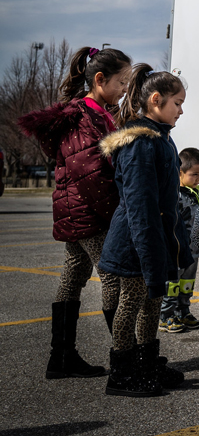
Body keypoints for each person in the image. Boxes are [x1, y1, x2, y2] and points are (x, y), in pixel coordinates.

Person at [17, 46, 132, 380]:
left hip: (77, 211)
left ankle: (61, 357)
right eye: (122, 82)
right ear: (100, 79)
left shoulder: (97, 112)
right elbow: (91, 172)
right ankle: (124, 357)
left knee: (73, 275)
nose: (125, 89)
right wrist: (117, 214)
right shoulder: (83, 116)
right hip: (90, 213)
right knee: (113, 275)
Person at [98, 65, 192, 397]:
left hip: (155, 239)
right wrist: (151, 252)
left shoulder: (160, 136)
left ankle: (146, 361)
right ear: (156, 100)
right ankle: (121, 373)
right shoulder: (140, 144)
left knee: (153, 302)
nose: (181, 109)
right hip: (136, 243)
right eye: (177, 103)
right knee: (132, 301)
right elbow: (140, 207)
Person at [160, 148, 199, 334]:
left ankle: (183, 311)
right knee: (172, 284)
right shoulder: (174, 194)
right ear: (179, 172)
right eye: (194, 174)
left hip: (193, 250)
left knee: (187, 282)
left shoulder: (198, 193)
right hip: (176, 250)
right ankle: (166, 316)